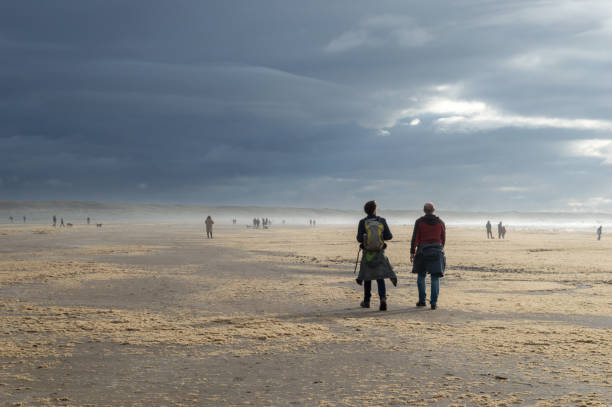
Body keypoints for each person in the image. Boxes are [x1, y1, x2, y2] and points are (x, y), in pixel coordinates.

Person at [356, 200, 397, 311]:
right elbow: (389, 236)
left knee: (367, 277)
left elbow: (359, 238)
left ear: (365, 210)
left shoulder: (362, 222)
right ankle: (383, 299)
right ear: (375, 209)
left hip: (367, 253)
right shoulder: (382, 220)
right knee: (380, 277)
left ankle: (367, 301)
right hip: (379, 252)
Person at [411, 202, 446, 310]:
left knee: (421, 276)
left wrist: (412, 251)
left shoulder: (419, 222)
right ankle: (433, 302)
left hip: (422, 251)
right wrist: (440, 248)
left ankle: (422, 301)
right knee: (435, 278)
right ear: (433, 210)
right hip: (436, 250)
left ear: (424, 210)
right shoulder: (440, 222)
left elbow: (415, 238)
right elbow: (443, 238)